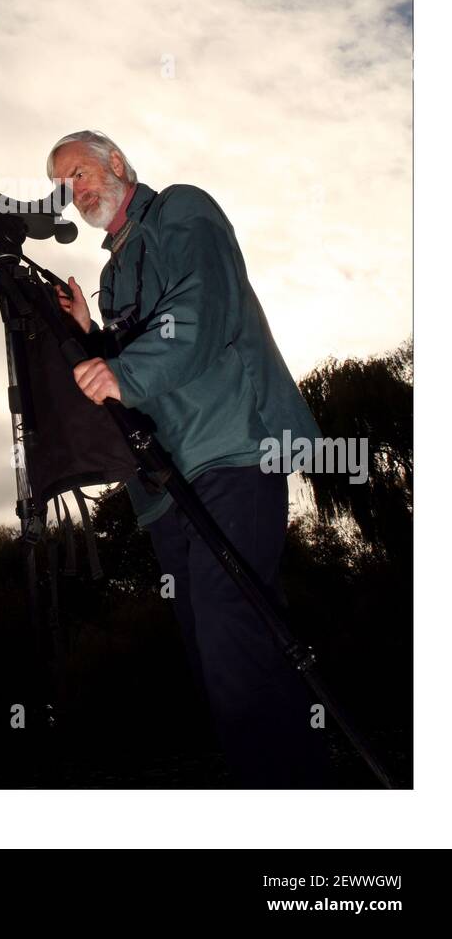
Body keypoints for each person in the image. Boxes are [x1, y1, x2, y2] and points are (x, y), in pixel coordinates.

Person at [47, 129, 331, 788]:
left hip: (230, 449)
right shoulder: (113, 271)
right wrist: (92, 336)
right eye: (64, 185)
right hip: (170, 486)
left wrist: (124, 373)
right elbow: (137, 358)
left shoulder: (181, 208)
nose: (76, 189)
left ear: (116, 162)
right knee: (220, 659)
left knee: (237, 650)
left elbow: (200, 308)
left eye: (82, 171)